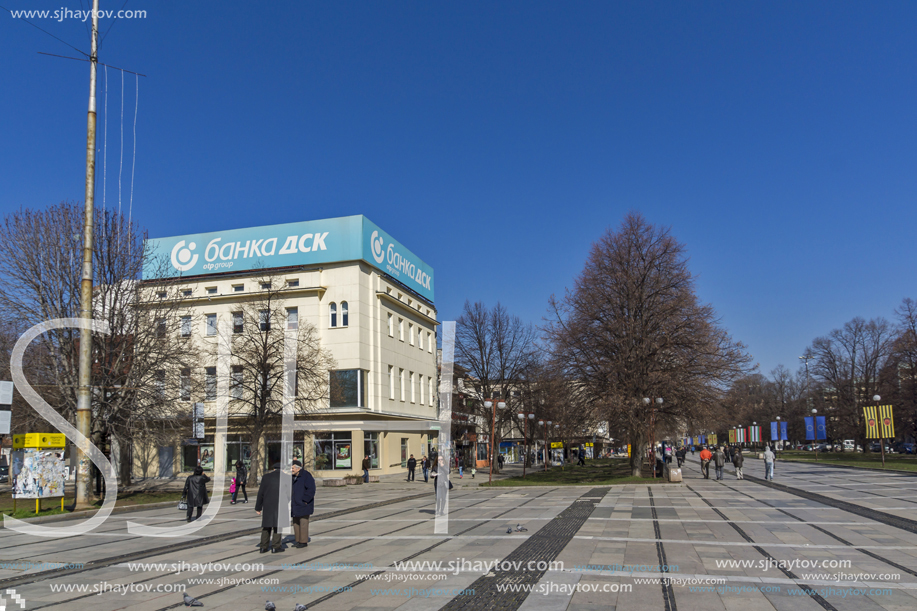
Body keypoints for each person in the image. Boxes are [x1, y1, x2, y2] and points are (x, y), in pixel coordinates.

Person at [255, 463, 283, 553]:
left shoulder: (266, 477)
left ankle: (263, 547)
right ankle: (276, 546)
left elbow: (261, 493)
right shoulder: (286, 478)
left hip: (267, 505)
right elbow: (290, 493)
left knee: (266, 526)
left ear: (274, 469)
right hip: (280, 505)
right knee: (278, 526)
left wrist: (258, 507)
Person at [291, 460, 315, 548]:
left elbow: (311, 489)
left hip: (304, 504)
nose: (291, 470)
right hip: (295, 504)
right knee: (296, 523)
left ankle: (303, 541)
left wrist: (305, 500)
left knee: (303, 523)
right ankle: (298, 540)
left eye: (292, 468)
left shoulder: (306, 475)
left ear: (298, 468)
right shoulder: (292, 477)